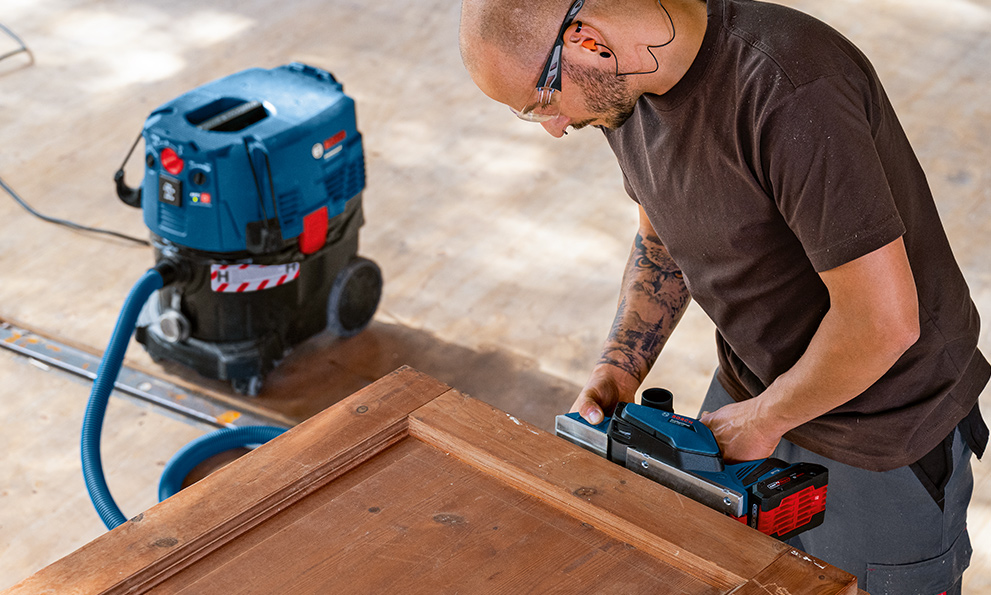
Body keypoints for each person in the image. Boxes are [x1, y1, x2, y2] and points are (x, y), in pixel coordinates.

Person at [459, 0, 989, 592]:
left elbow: (884, 324)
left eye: (540, 104)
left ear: (586, 42)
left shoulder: (790, 88)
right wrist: (619, 367)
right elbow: (661, 239)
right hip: (752, 391)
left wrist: (764, 420)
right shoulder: (624, 95)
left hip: (881, 429)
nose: (554, 126)